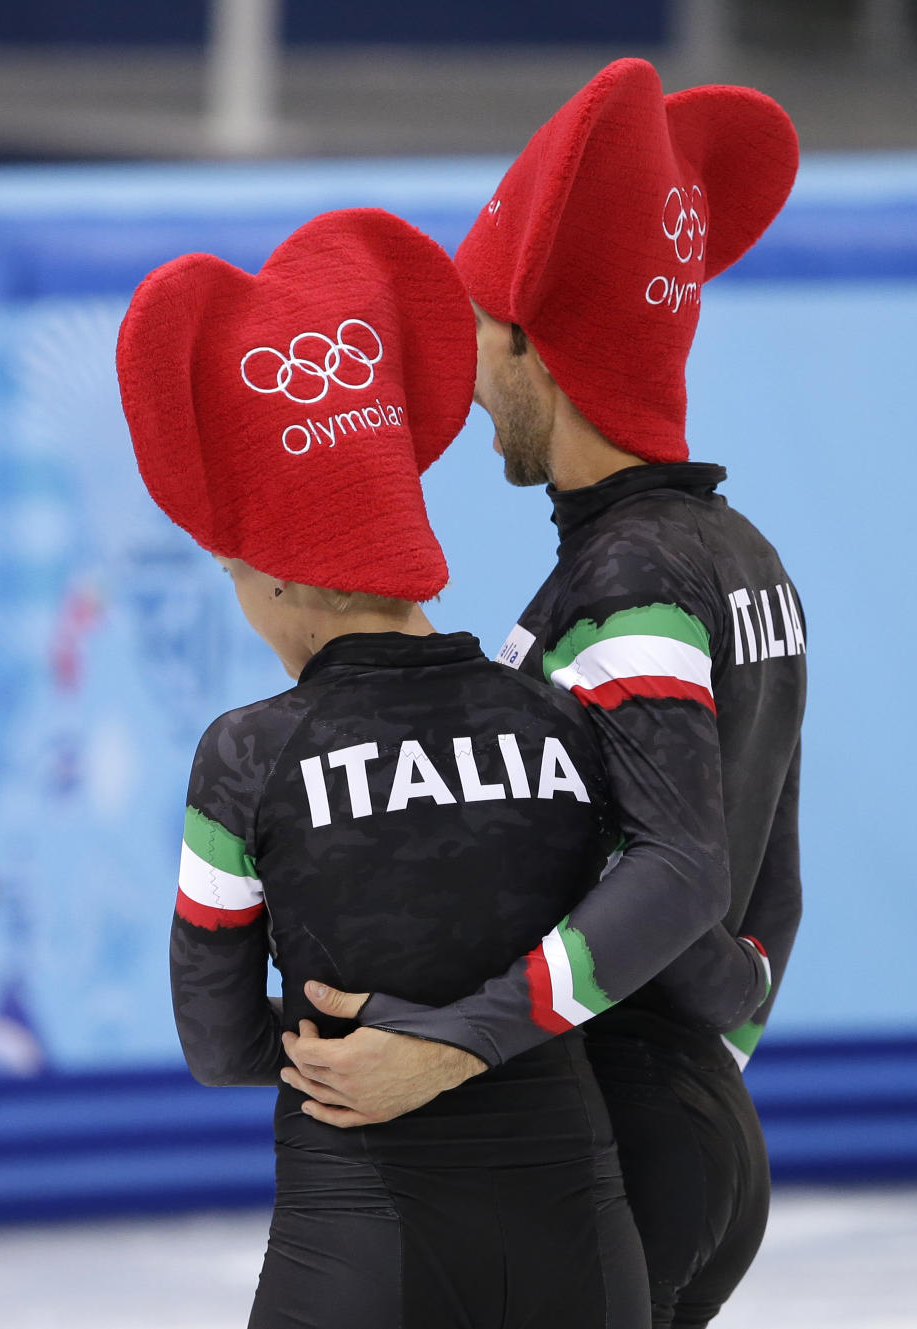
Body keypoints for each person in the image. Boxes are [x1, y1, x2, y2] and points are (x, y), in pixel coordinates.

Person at [279, 61, 806, 1328]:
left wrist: (457, 1040)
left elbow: (679, 873)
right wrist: (710, 1061)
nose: (462, 373)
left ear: (533, 337)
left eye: (472, 327)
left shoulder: (631, 578)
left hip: (618, 1138)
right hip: (685, 1126)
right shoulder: (740, 558)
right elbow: (765, 878)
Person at [116, 207, 652, 1329]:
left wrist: (348, 1054)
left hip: (362, 1236)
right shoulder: (559, 717)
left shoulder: (247, 756)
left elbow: (216, 1044)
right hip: (581, 1236)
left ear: (263, 571)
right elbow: (646, 928)